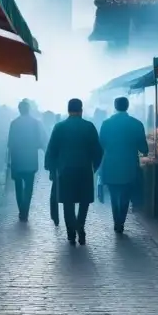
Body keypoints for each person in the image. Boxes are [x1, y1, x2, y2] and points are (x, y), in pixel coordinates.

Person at [45, 98, 103, 244]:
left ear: (68, 110)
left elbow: (52, 150)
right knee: (84, 201)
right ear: (81, 110)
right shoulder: (89, 127)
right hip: (84, 170)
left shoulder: (59, 127)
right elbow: (98, 151)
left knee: (67, 202)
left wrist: (51, 169)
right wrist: (94, 167)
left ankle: (71, 232)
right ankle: (80, 226)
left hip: (65, 171)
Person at [99, 97, 148, 234]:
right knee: (126, 195)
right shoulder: (136, 124)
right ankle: (121, 221)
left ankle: (117, 222)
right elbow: (143, 148)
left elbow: (101, 144)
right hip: (129, 165)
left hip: (111, 165)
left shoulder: (106, 123)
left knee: (114, 195)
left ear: (115, 106)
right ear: (127, 106)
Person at [7, 99, 45, 221]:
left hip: (17, 160)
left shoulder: (14, 123)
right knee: (28, 187)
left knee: (18, 186)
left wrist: (9, 161)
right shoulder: (35, 123)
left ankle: (21, 211)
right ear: (28, 109)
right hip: (30, 160)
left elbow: (10, 144)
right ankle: (25, 211)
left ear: (19, 110)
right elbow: (40, 141)